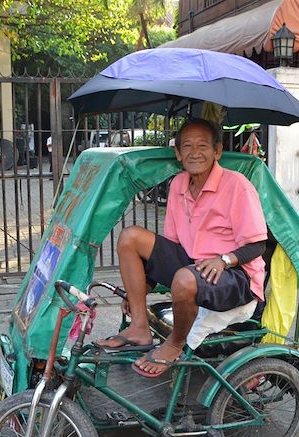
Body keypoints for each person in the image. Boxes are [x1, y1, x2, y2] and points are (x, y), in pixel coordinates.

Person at [94, 118, 268, 377]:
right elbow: (170, 249)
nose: (194, 152)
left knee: (185, 279)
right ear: (177, 152)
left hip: (236, 276)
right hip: (191, 263)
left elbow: (258, 244)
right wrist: (141, 289)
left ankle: (175, 344)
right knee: (130, 236)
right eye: (187, 145)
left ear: (217, 151)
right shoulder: (178, 185)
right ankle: (139, 328)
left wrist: (224, 260)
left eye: (202, 145)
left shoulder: (237, 185)